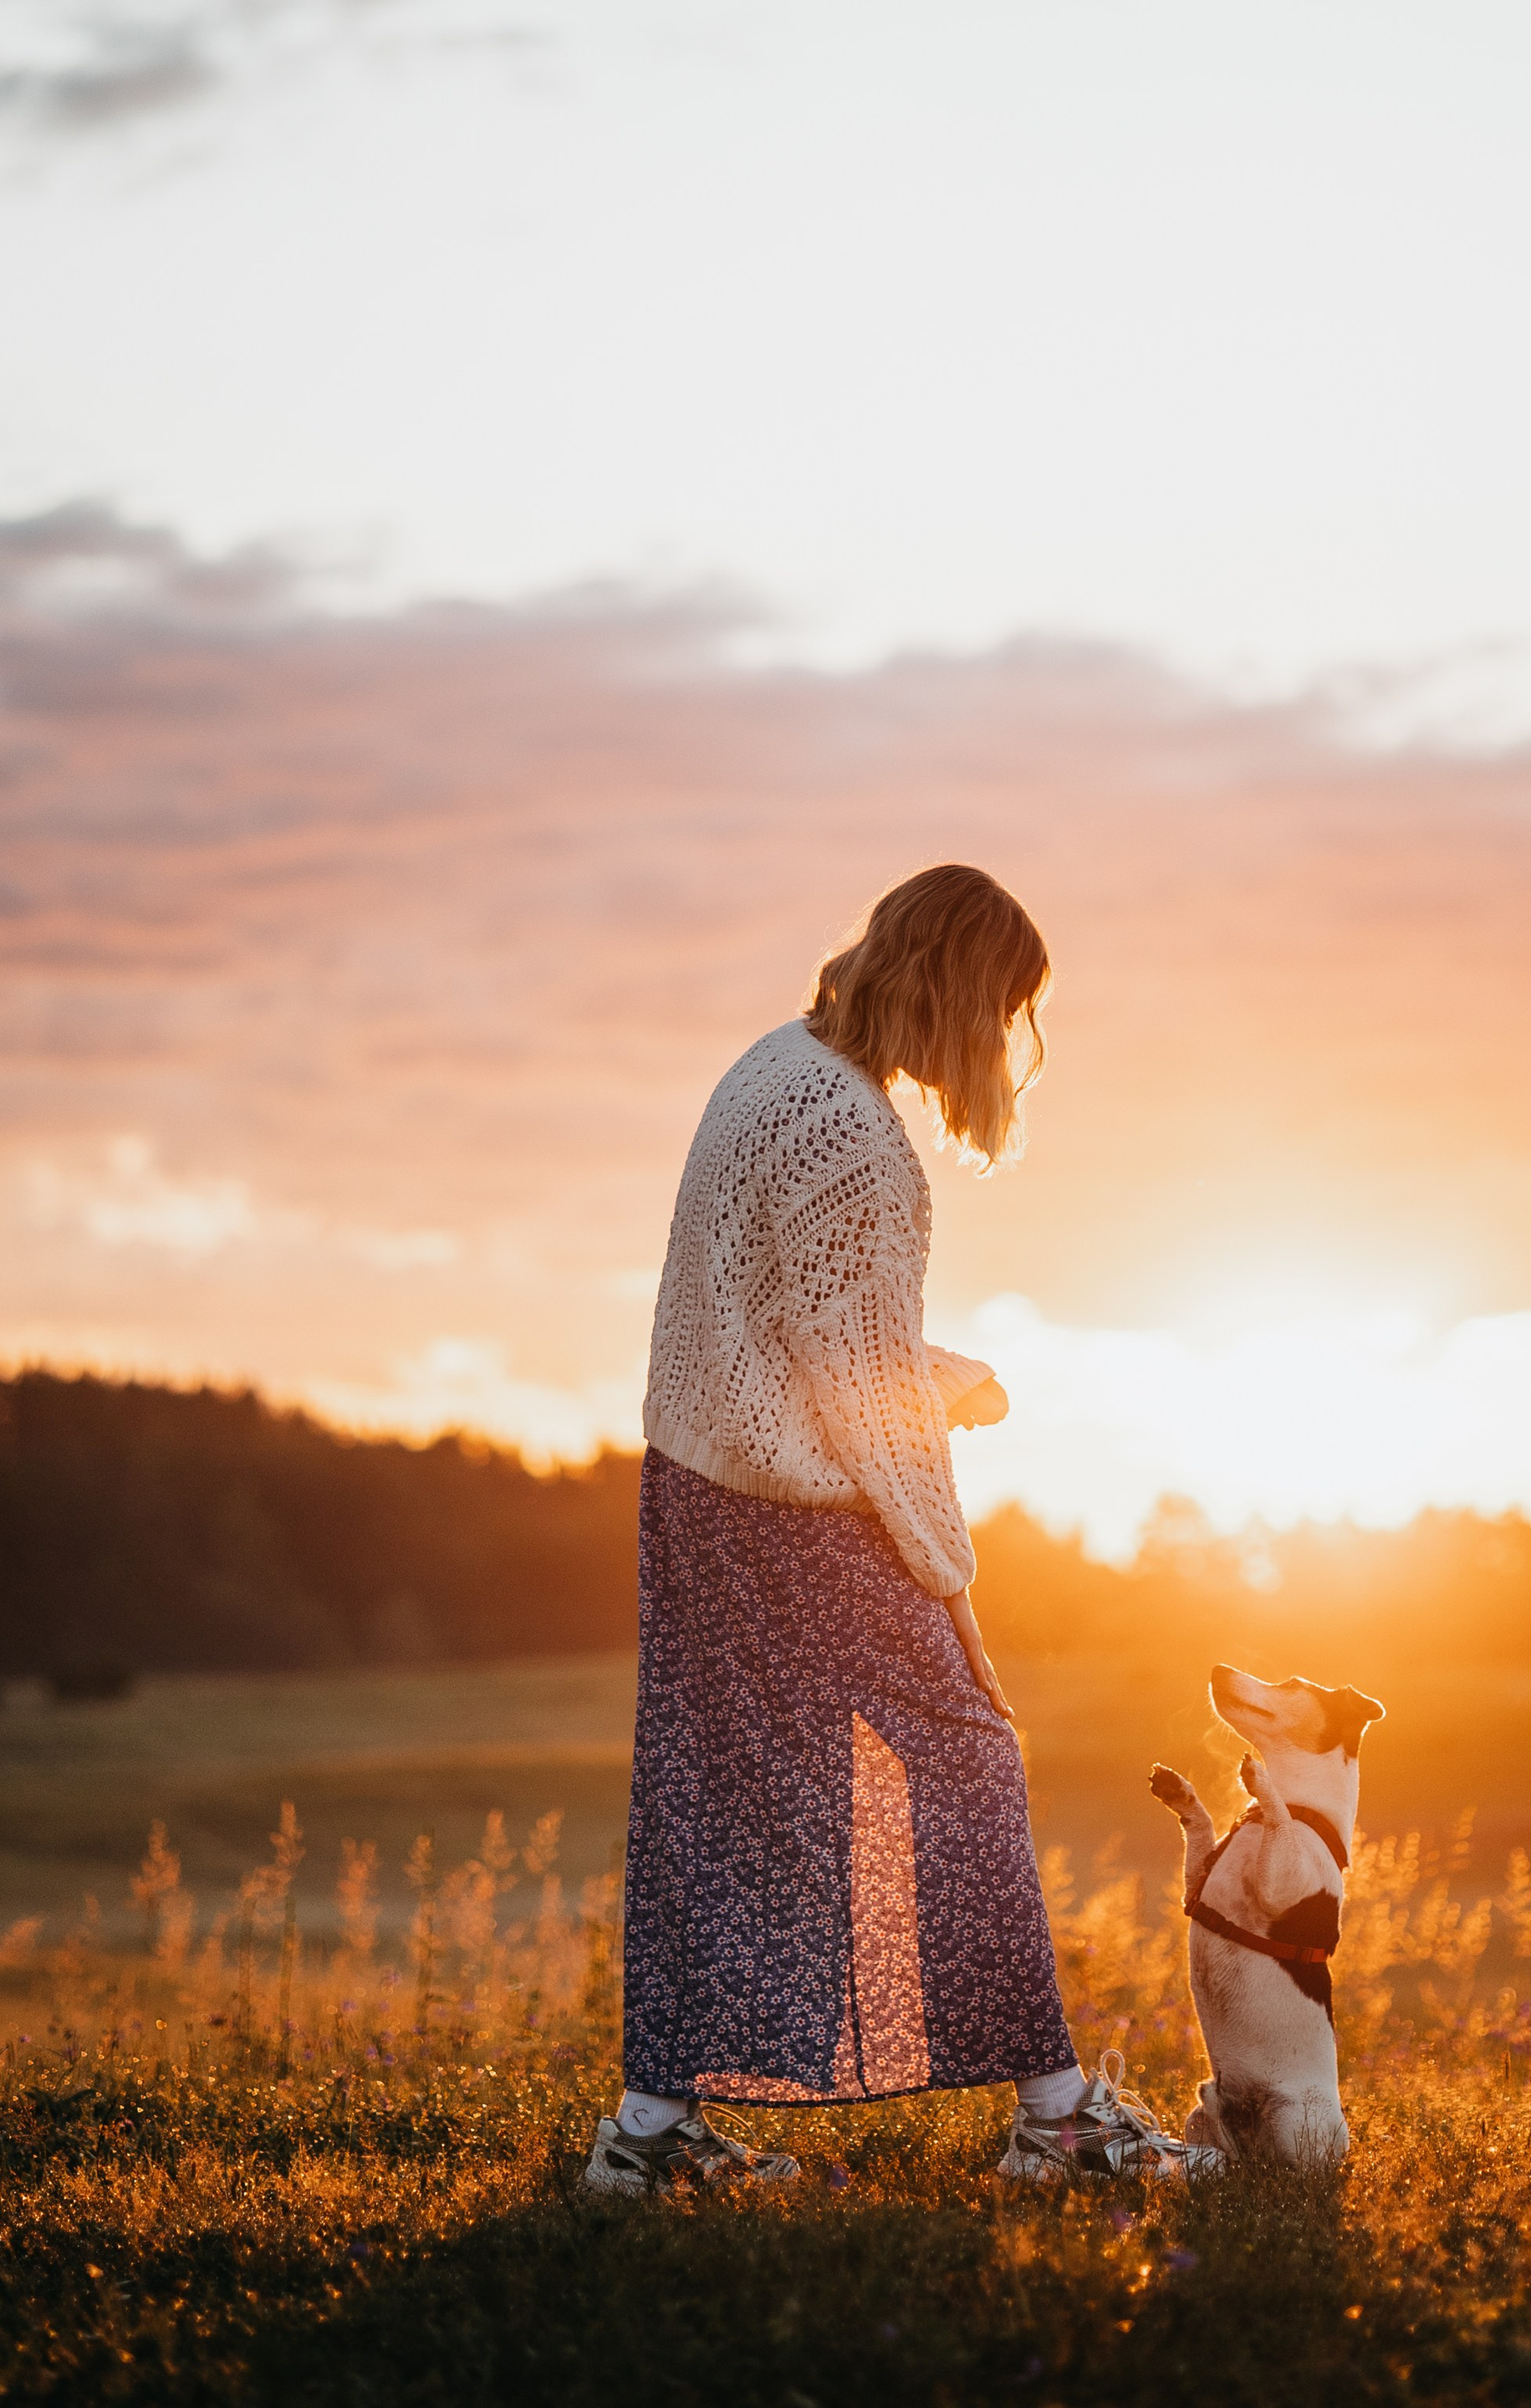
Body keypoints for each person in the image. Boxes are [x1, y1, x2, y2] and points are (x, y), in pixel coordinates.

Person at [584, 862, 1184, 2194]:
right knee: (972, 1758)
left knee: (720, 1798)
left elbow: (811, 1328)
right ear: (968, 999)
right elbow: (861, 1401)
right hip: (798, 1515)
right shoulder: (855, 1135)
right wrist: (948, 1570)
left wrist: (940, 1373)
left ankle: (645, 2141)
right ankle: (1060, 2123)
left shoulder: (774, 1065)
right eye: (1007, 1011)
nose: (1008, 1046)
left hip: (698, 1493)